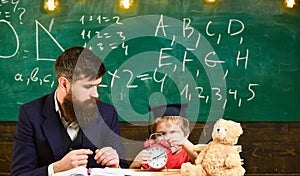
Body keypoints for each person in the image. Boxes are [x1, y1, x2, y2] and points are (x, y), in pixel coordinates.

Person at [11, 46, 128, 176]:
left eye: (97, 86)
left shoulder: (107, 114)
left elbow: (122, 168)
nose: (95, 94)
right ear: (64, 84)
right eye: (88, 86)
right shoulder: (30, 114)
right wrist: (56, 168)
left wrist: (115, 166)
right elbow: (19, 174)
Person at [129, 104, 198, 169]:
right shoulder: (153, 154)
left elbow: (200, 162)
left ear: (186, 134)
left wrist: (185, 142)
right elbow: (132, 172)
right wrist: (135, 164)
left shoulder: (188, 153)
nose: (167, 138)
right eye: (161, 134)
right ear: (155, 136)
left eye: (174, 132)